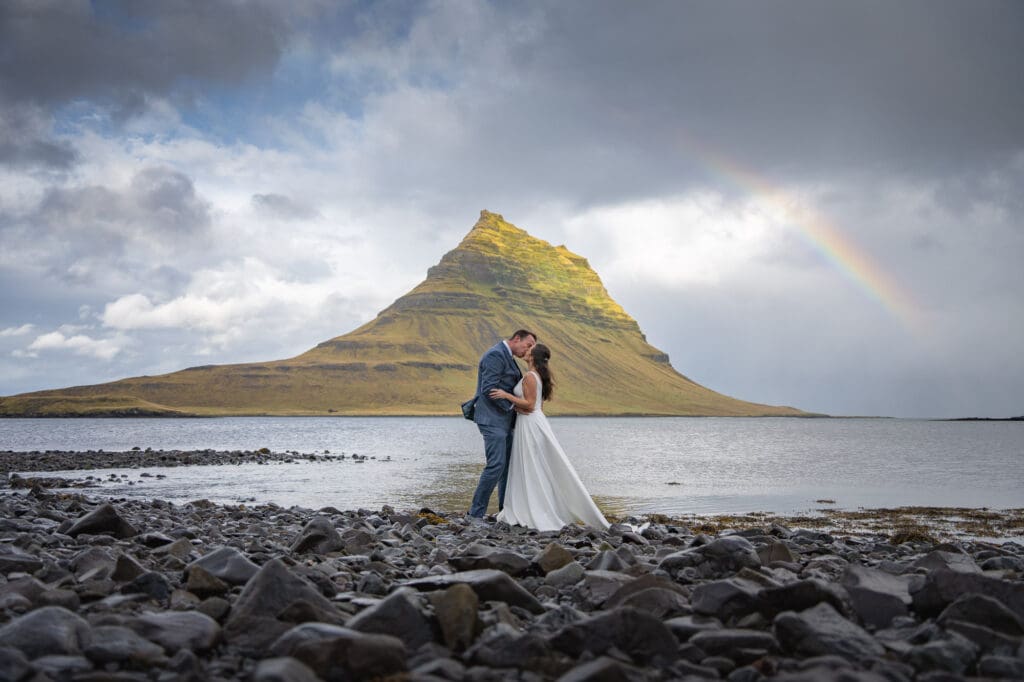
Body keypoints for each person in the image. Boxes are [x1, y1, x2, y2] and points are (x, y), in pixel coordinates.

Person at [488, 344, 609, 532]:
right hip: (532, 421)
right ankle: (536, 505)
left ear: (533, 357)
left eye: (530, 350)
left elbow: (529, 404)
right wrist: (519, 409)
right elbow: (536, 407)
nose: (526, 351)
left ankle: (533, 508)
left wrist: (506, 396)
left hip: (529, 424)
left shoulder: (529, 377)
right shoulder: (537, 376)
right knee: (533, 465)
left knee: (530, 465)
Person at [468, 329, 537, 520]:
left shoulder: (508, 356)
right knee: (496, 465)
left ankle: (505, 512)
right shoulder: (495, 355)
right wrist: (513, 407)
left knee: (506, 467)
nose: (529, 350)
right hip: (492, 419)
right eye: (528, 345)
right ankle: (475, 514)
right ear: (516, 339)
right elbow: (489, 388)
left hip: (504, 421)